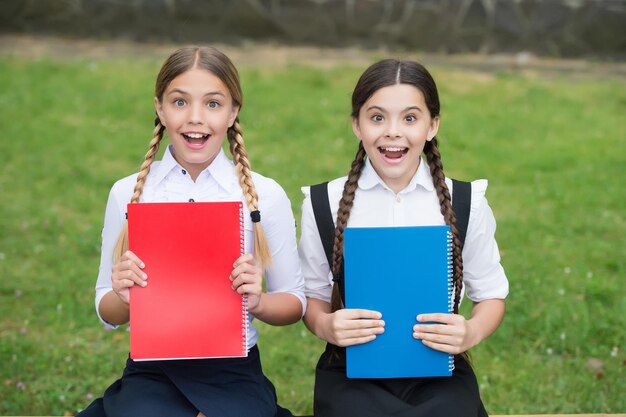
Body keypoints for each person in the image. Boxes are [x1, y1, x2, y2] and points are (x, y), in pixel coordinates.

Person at [78, 46, 305, 417]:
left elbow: (295, 302)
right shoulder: (128, 192)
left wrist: (258, 302)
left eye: (213, 104)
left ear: (233, 112)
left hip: (234, 369)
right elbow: (107, 308)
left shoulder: (264, 195)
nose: (195, 118)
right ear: (160, 108)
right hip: (152, 370)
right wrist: (123, 296)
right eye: (180, 102)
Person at [298, 59, 509, 417]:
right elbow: (313, 297)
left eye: (410, 118)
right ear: (356, 124)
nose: (392, 131)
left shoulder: (466, 202)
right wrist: (325, 325)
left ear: (432, 125)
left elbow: (490, 294)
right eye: (377, 117)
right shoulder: (324, 203)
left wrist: (470, 333)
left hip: (440, 369)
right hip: (352, 370)